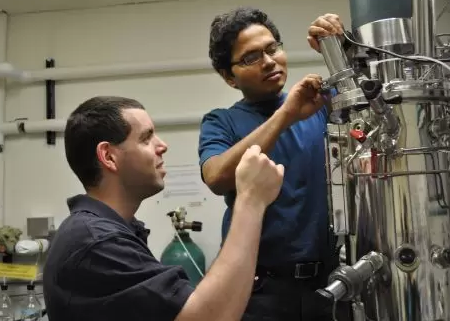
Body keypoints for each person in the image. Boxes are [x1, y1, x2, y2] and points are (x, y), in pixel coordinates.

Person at [43, 95, 286, 321]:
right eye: (146, 137)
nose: (162, 145)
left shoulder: (108, 232)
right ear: (108, 156)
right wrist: (251, 200)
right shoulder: (96, 241)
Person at [198, 8, 350, 320]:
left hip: (329, 284)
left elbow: (369, 102)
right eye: (250, 57)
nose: (268, 61)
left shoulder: (321, 104)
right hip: (262, 293)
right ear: (230, 77)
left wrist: (341, 49)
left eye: (272, 48)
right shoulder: (221, 121)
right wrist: (286, 115)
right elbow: (216, 177)